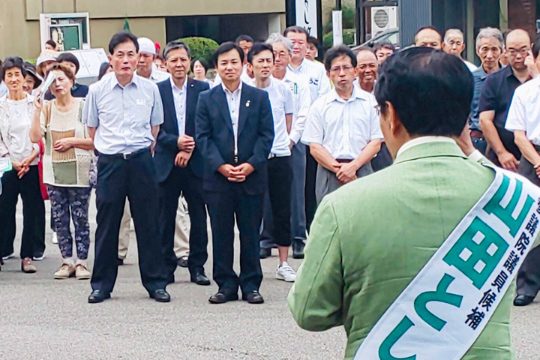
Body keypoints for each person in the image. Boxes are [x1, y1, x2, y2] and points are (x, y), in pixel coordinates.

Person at [289, 47, 540, 360]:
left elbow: (310, 310)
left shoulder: (343, 206)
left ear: (391, 116)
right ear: (465, 117)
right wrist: (474, 155)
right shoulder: (515, 197)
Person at [83, 31, 170, 304]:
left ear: (139, 58)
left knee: (148, 224)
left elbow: (155, 127)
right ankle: (101, 285)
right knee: (108, 224)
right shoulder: (96, 91)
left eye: (131, 54)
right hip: (110, 162)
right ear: (111, 59)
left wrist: (142, 149)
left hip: (142, 161)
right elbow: (92, 129)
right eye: (119, 54)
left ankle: (156, 283)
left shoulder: (150, 89)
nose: (126, 60)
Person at [196, 42, 274, 304]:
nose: (229, 67)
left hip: (251, 175)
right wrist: (222, 166)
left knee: (250, 232)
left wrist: (251, 164)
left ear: (244, 65)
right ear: (216, 68)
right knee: (221, 232)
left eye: (234, 62)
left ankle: (251, 284)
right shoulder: (207, 98)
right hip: (219, 177)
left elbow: (266, 136)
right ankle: (225, 284)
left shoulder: (259, 97)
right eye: (223, 63)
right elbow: (203, 138)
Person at [29, 63, 93, 280]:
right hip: (54, 172)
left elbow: (95, 141)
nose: (57, 85)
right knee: (60, 219)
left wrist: (72, 142)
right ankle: (67, 261)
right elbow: (35, 138)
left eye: (61, 79)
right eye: (52, 81)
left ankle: (82, 262)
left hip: (80, 171)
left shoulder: (84, 106)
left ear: (72, 81)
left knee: (81, 218)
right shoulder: (46, 108)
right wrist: (36, 112)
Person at [154, 40, 211, 286]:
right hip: (166, 161)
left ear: (189, 62)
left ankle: (197, 266)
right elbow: (153, 128)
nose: (179, 64)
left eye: (183, 59)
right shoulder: (157, 90)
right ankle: (166, 267)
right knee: (165, 218)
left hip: (196, 162)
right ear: (166, 64)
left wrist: (189, 148)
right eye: (173, 60)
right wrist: (176, 142)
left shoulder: (203, 88)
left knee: (199, 216)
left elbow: (208, 125)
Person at [302, 45, 382, 203]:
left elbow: (376, 141)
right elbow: (315, 146)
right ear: (328, 74)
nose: (342, 74)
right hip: (329, 171)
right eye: (336, 69)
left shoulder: (370, 103)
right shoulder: (319, 106)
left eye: (346, 68)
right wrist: (339, 170)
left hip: (362, 169)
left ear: (355, 71)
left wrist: (353, 167)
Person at [247, 42, 297, 281]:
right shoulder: (245, 90)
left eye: (269, 60)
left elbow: (288, 122)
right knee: (251, 211)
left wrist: (283, 144)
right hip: (253, 159)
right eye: (260, 61)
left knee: (282, 210)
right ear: (251, 66)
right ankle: (250, 263)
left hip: (279, 156)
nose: (266, 65)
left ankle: (284, 263)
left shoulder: (283, 89)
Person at [285, 25, 331, 257]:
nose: (296, 46)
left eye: (300, 42)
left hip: (312, 137)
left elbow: (323, 102)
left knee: (309, 188)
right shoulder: (279, 70)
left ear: (307, 45)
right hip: (284, 138)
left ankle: (305, 233)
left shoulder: (318, 70)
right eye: (291, 42)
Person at [263, 33, 310, 260]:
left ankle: (298, 238)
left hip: (293, 143)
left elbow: (302, 114)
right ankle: (266, 238)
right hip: (264, 146)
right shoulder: (260, 83)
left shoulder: (298, 83)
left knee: (295, 193)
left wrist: (291, 139)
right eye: (274, 54)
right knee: (266, 194)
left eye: (282, 53)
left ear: (290, 56)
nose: (278, 58)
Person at [0, 57, 45, 272]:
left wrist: (30, 156)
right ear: (4, 79)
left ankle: (27, 256)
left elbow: (41, 133)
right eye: (9, 75)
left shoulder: (33, 103)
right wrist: (12, 160)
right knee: (4, 208)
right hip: (8, 164)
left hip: (32, 163)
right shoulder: (1, 105)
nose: (14, 79)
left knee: (32, 210)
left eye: (17, 74)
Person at [505, 36, 540, 307]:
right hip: (532, 156)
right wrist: (537, 162)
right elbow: (519, 135)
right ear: (535, 59)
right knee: (530, 222)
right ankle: (527, 285)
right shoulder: (525, 93)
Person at [479, 29, 533, 170]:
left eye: (523, 50)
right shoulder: (493, 81)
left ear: (531, 48)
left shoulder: (537, 80)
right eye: (513, 51)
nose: (519, 56)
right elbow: (485, 120)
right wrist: (502, 152)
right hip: (505, 159)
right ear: (505, 51)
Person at [469, 27, 504, 154]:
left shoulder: (509, 77)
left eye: (494, 49)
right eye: (485, 49)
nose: (489, 55)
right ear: (478, 51)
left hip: (505, 142)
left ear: (502, 50)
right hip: (478, 142)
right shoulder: (470, 79)